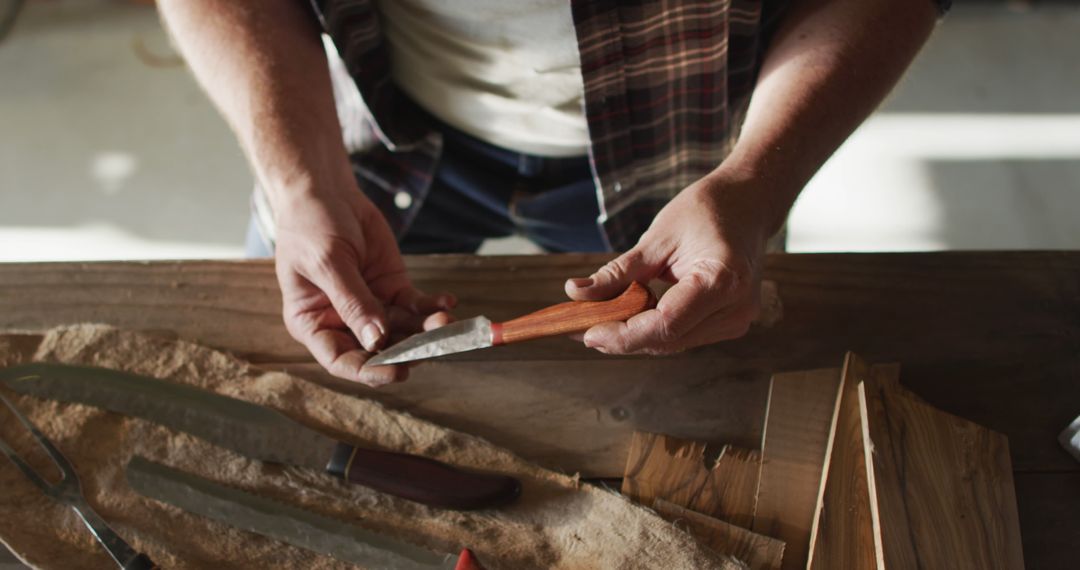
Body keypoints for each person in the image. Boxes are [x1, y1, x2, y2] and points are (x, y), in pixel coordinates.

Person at [158, 0, 946, 386]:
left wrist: (753, 185)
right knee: (292, 363)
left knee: (696, 373)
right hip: (358, 130)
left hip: (689, 155)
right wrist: (300, 182)